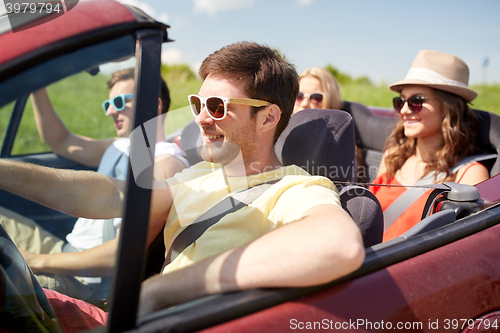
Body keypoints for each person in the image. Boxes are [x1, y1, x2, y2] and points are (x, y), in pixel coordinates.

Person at [0, 42, 365, 322]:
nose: (203, 120)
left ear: (268, 118)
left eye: (218, 107)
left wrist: (160, 289)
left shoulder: (297, 189)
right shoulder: (199, 174)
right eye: (198, 104)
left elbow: (339, 246)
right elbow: (114, 195)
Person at [0, 68, 188, 302]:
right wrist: (37, 86)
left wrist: (37, 260)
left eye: (119, 102)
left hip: (85, 284)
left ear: (153, 106)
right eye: (107, 104)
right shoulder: (119, 145)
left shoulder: (165, 163)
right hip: (62, 252)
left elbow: (122, 254)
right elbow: (61, 141)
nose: (110, 111)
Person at [370, 50, 490, 242]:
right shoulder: (393, 157)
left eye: (416, 101)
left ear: (448, 107)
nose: (405, 110)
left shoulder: (469, 175)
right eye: (400, 101)